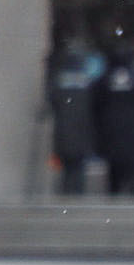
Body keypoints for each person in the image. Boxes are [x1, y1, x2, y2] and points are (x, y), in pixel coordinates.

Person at [92, 43, 134, 196]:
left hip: (111, 125)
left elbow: (97, 103)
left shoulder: (105, 78)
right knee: (132, 161)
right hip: (132, 125)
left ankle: (115, 189)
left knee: (114, 163)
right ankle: (133, 188)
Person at [47, 41, 99, 196]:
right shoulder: (87, 83)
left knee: (67, 166)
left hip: (63, 129)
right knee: (78, 167)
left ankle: (67, 193)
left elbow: (53, 102)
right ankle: (76, 193)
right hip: (82, 129)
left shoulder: (59, 82)